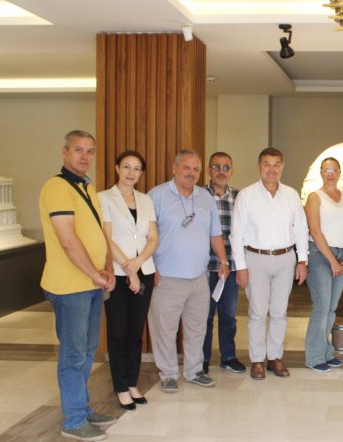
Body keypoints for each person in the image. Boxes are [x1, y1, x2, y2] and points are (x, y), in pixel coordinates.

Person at [39, 130, 116, 441]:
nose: (85, 156)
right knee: (73, 354)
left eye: (90, 151)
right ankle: (73, 420)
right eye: (78, 150)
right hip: (70, 287)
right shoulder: (57, 188)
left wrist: (106, 268)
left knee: (86, 351)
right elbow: (68, 240)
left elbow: (97, 234)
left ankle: (82, 408)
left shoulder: (87, 187)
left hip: (91, 284)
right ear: (65, 152)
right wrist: (95, 274)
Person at [147, 149, 229, 393]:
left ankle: (194, 371)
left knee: (197, 328)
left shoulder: (205, 198)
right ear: (174, 169)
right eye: (186, 168)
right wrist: (149, 266)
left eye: (196, 169)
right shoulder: (156, 196)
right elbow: (145, 235)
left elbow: (215, 233)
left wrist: (223, 261)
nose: (191, 173)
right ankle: (168, 374)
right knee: (165, 330)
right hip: (166, 277)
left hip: (199, 277)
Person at [230, 147, 309, 380]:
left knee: (279, 312)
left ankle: (274, 357)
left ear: (282, 167)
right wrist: (241, 266)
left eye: (276, 165)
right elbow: (236, 234)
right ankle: (257, 360)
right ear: (259, 167)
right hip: (256, 258)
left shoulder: (291, 195)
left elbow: (301, 230)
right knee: (257, 312)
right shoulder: (246, 196)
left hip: (286, 258)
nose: (272, 169)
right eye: (267, 164)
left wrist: (302, 260)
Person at [98, 151, 158, 411]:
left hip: (143, 270)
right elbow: (106, 238)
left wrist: (138, 262)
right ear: (117, 168)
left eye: (136, 168)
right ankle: (121, 387)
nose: (131, 172)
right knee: (118, 332)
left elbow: (153, 237)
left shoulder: (146, 200)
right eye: (126, 167)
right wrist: (128, 267)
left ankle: (132, 383)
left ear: (141, 173)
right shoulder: (104, 198)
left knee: (135, 332)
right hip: (118, 274)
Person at [303, 157, 343, 372]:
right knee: (321, 307)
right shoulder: (314, 197)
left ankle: (326, 352)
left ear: (340, 172)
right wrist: (332, 261)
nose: (330, 173)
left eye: (334, 169)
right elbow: (315, 231)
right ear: (321, 173)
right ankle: (314, 357)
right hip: (320, 255)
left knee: (331, 309)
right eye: (326, 170)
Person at [201, 152, 246, 375]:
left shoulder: (239, 198)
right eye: (216, 167)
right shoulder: (198, 196)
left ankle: (228, 357)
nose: (221, 171)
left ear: (232, 171)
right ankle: (202, 359)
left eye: (226, 167)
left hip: (230, 268)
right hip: (204, 267)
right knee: (204, 316)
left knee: (228, 316)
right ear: (209, 170)